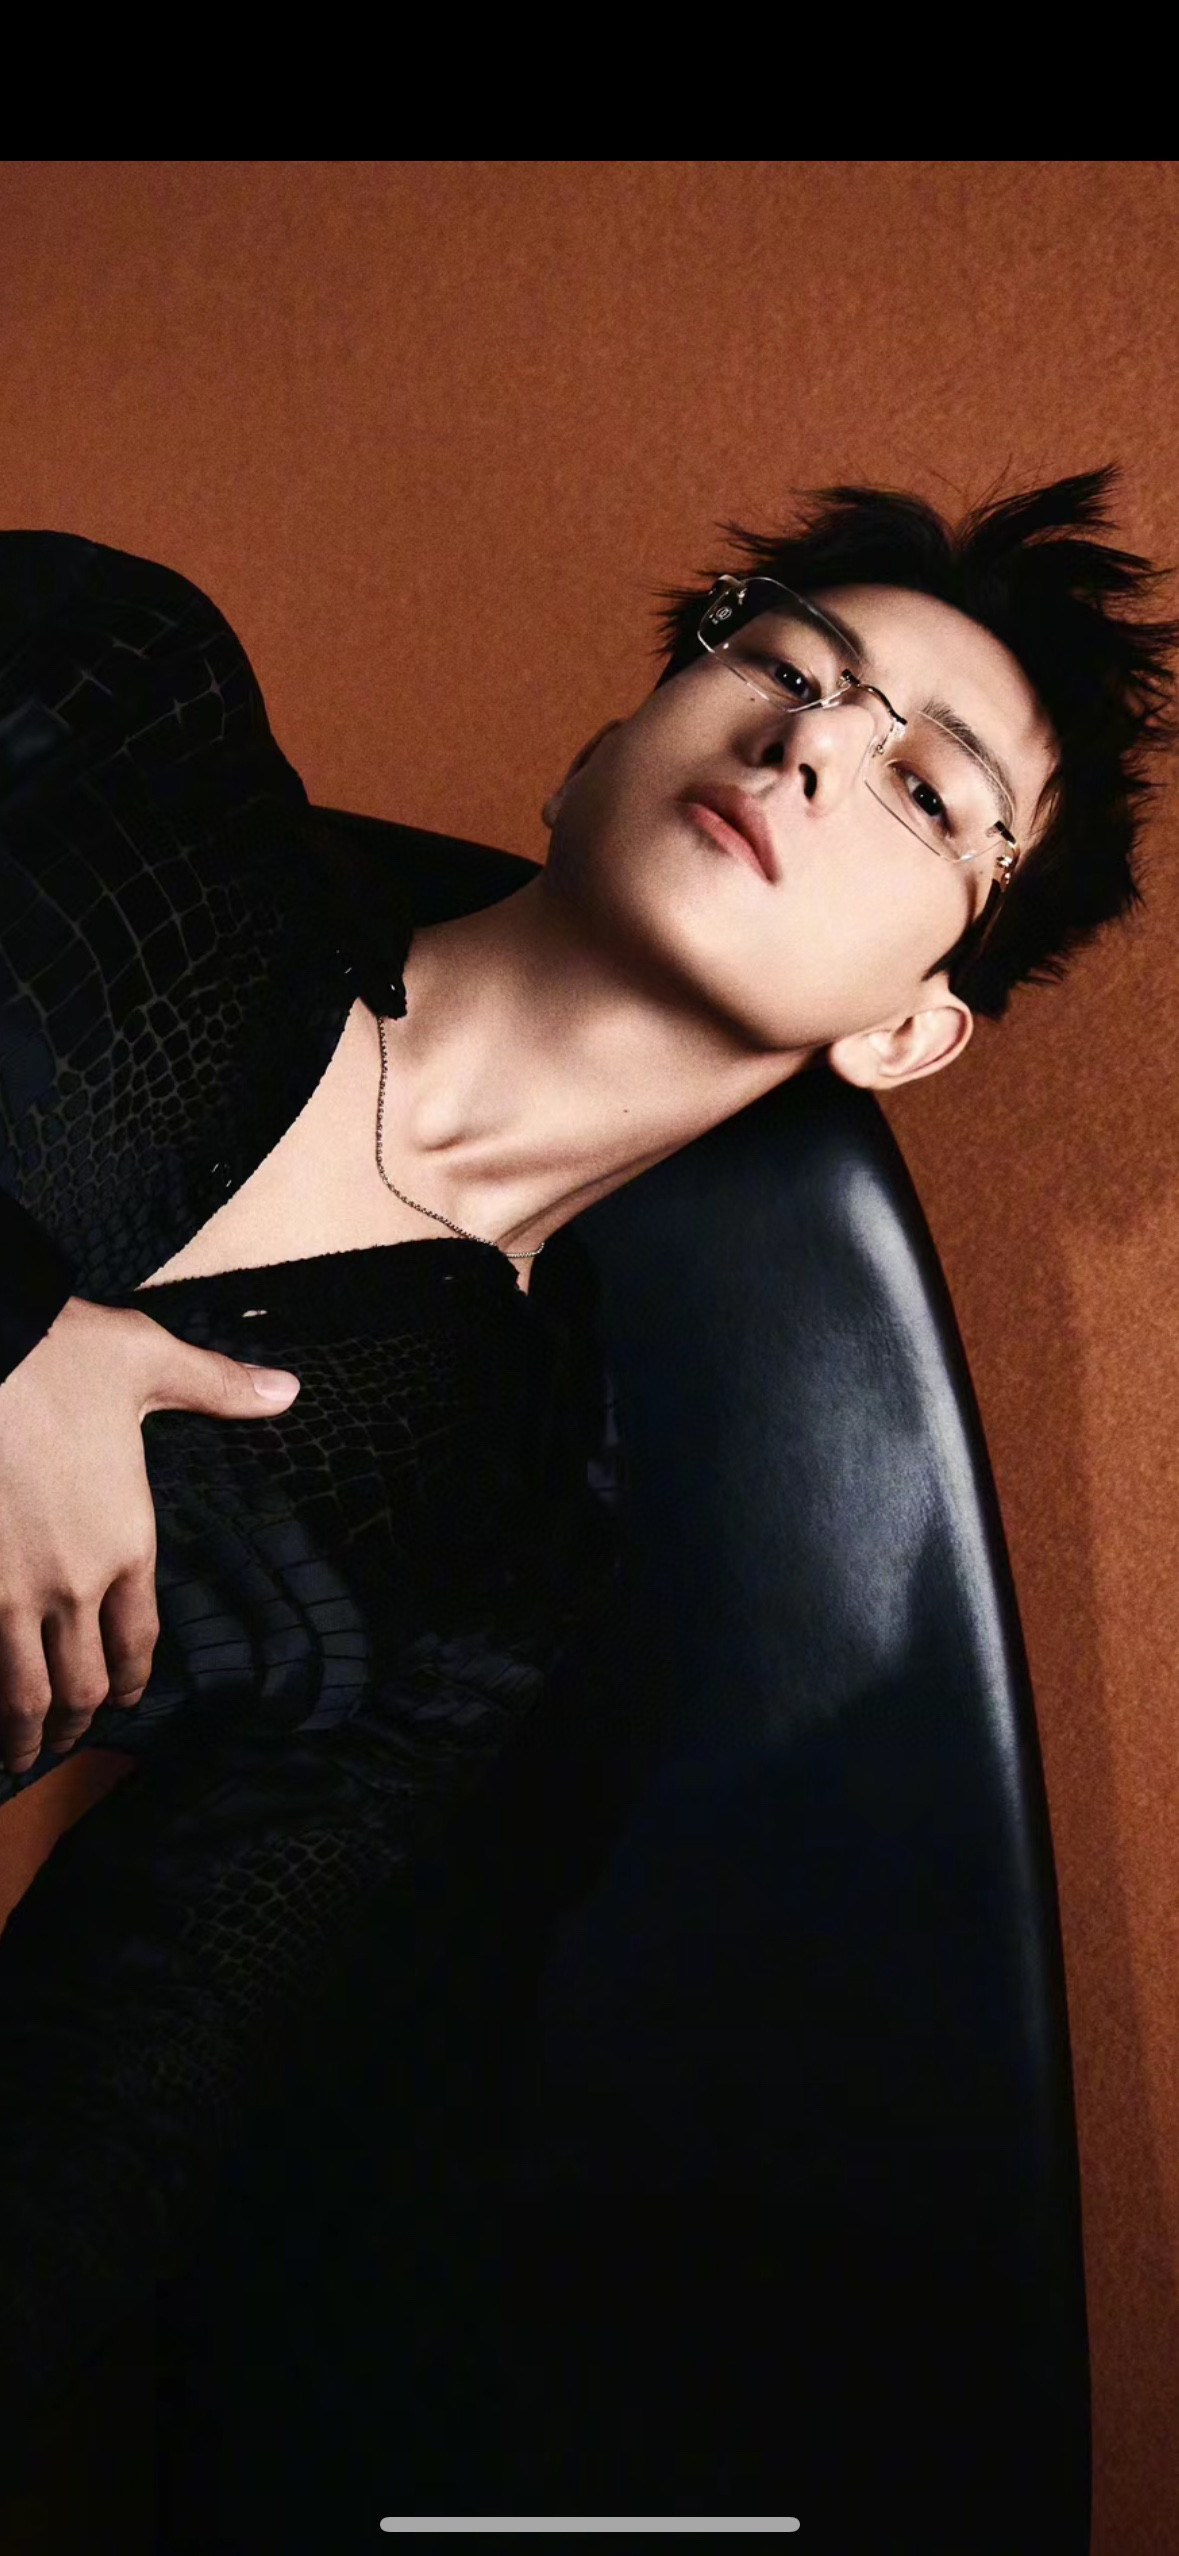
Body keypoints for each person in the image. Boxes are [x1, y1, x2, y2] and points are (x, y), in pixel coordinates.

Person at [0, 471, 1173, 2469]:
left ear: (910, 1035)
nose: (810, 744)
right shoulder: (125, 697)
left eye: (924, 790)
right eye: (785, 666)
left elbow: (121, 2091)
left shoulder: (490, 1540)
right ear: (598, 747)